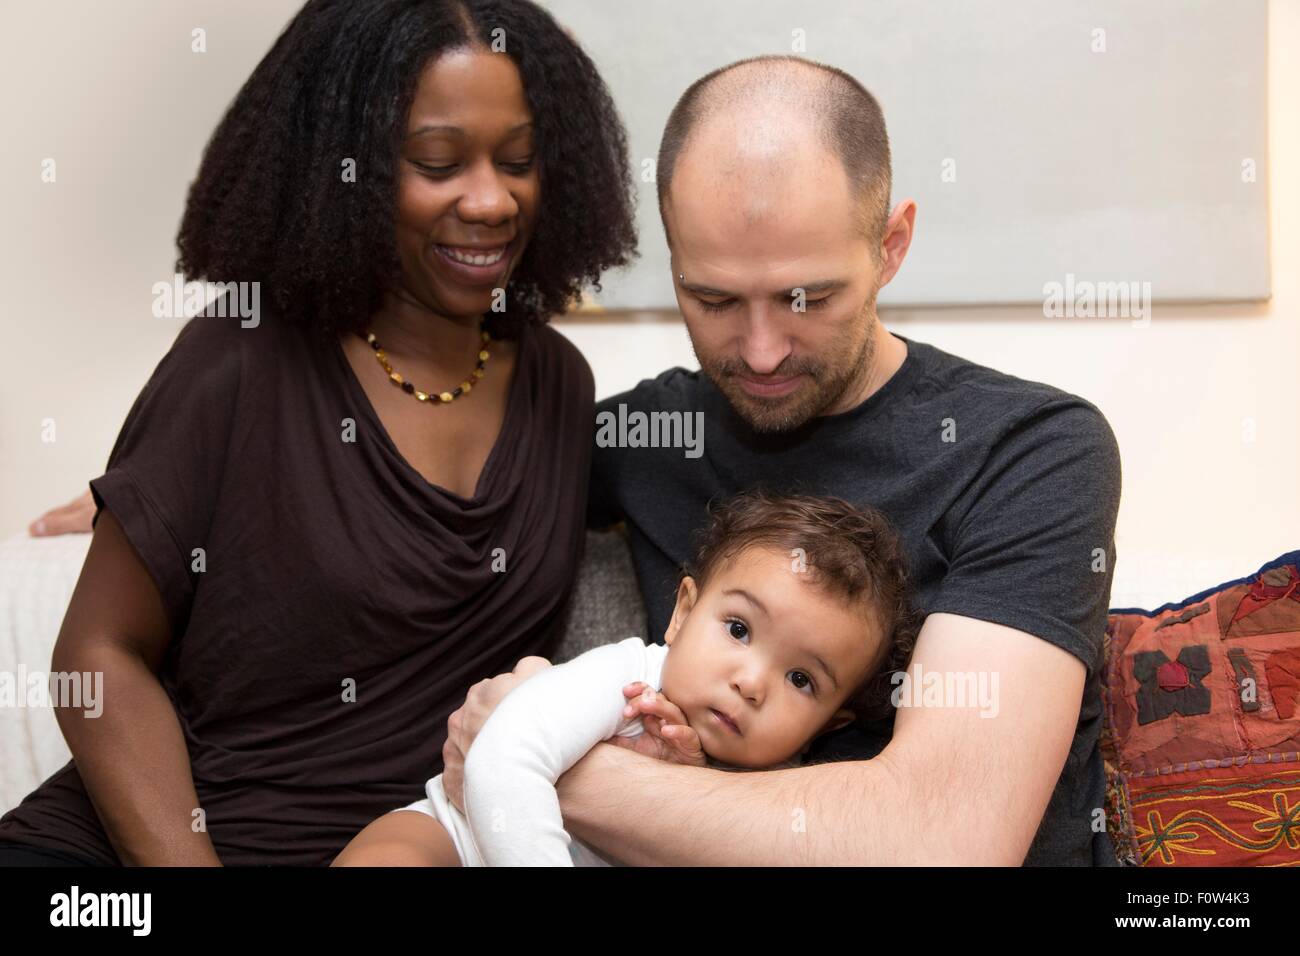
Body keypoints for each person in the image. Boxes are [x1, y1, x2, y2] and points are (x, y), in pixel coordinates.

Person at [438, 55, 1123, 866]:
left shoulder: (1032, 451)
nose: (760, 354)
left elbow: (945, 843)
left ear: (891, 245)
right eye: (714, 299)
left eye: (810, 299)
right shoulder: (646, 439)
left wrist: (527, 755)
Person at [1, 0, 636, 866]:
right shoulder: (241, 361)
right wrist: (155, 498)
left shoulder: (561, 386)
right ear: (349, 170)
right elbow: (96, 657)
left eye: (519, 160)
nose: (491, 200)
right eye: (437, 162)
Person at [332, 489, 920, 865]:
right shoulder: (629, 677)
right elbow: (504, 757)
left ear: (833, 721)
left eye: (800, 679)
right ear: (684, 612)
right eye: (739, 630)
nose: (750, 682)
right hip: (457, 841)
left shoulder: (780, 796)